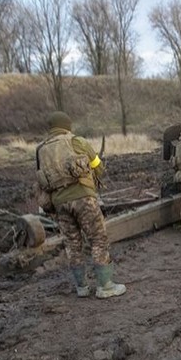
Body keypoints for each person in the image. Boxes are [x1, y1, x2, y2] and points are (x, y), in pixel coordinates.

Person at [35, 111, 126, 299]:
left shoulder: (41, 150)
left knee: (72, 244)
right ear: (67, 125)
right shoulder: (76, 141)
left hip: (59, 203)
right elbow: (98, 166)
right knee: (98, 239)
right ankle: (105, 286)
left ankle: (82, 287)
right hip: (83, 199)